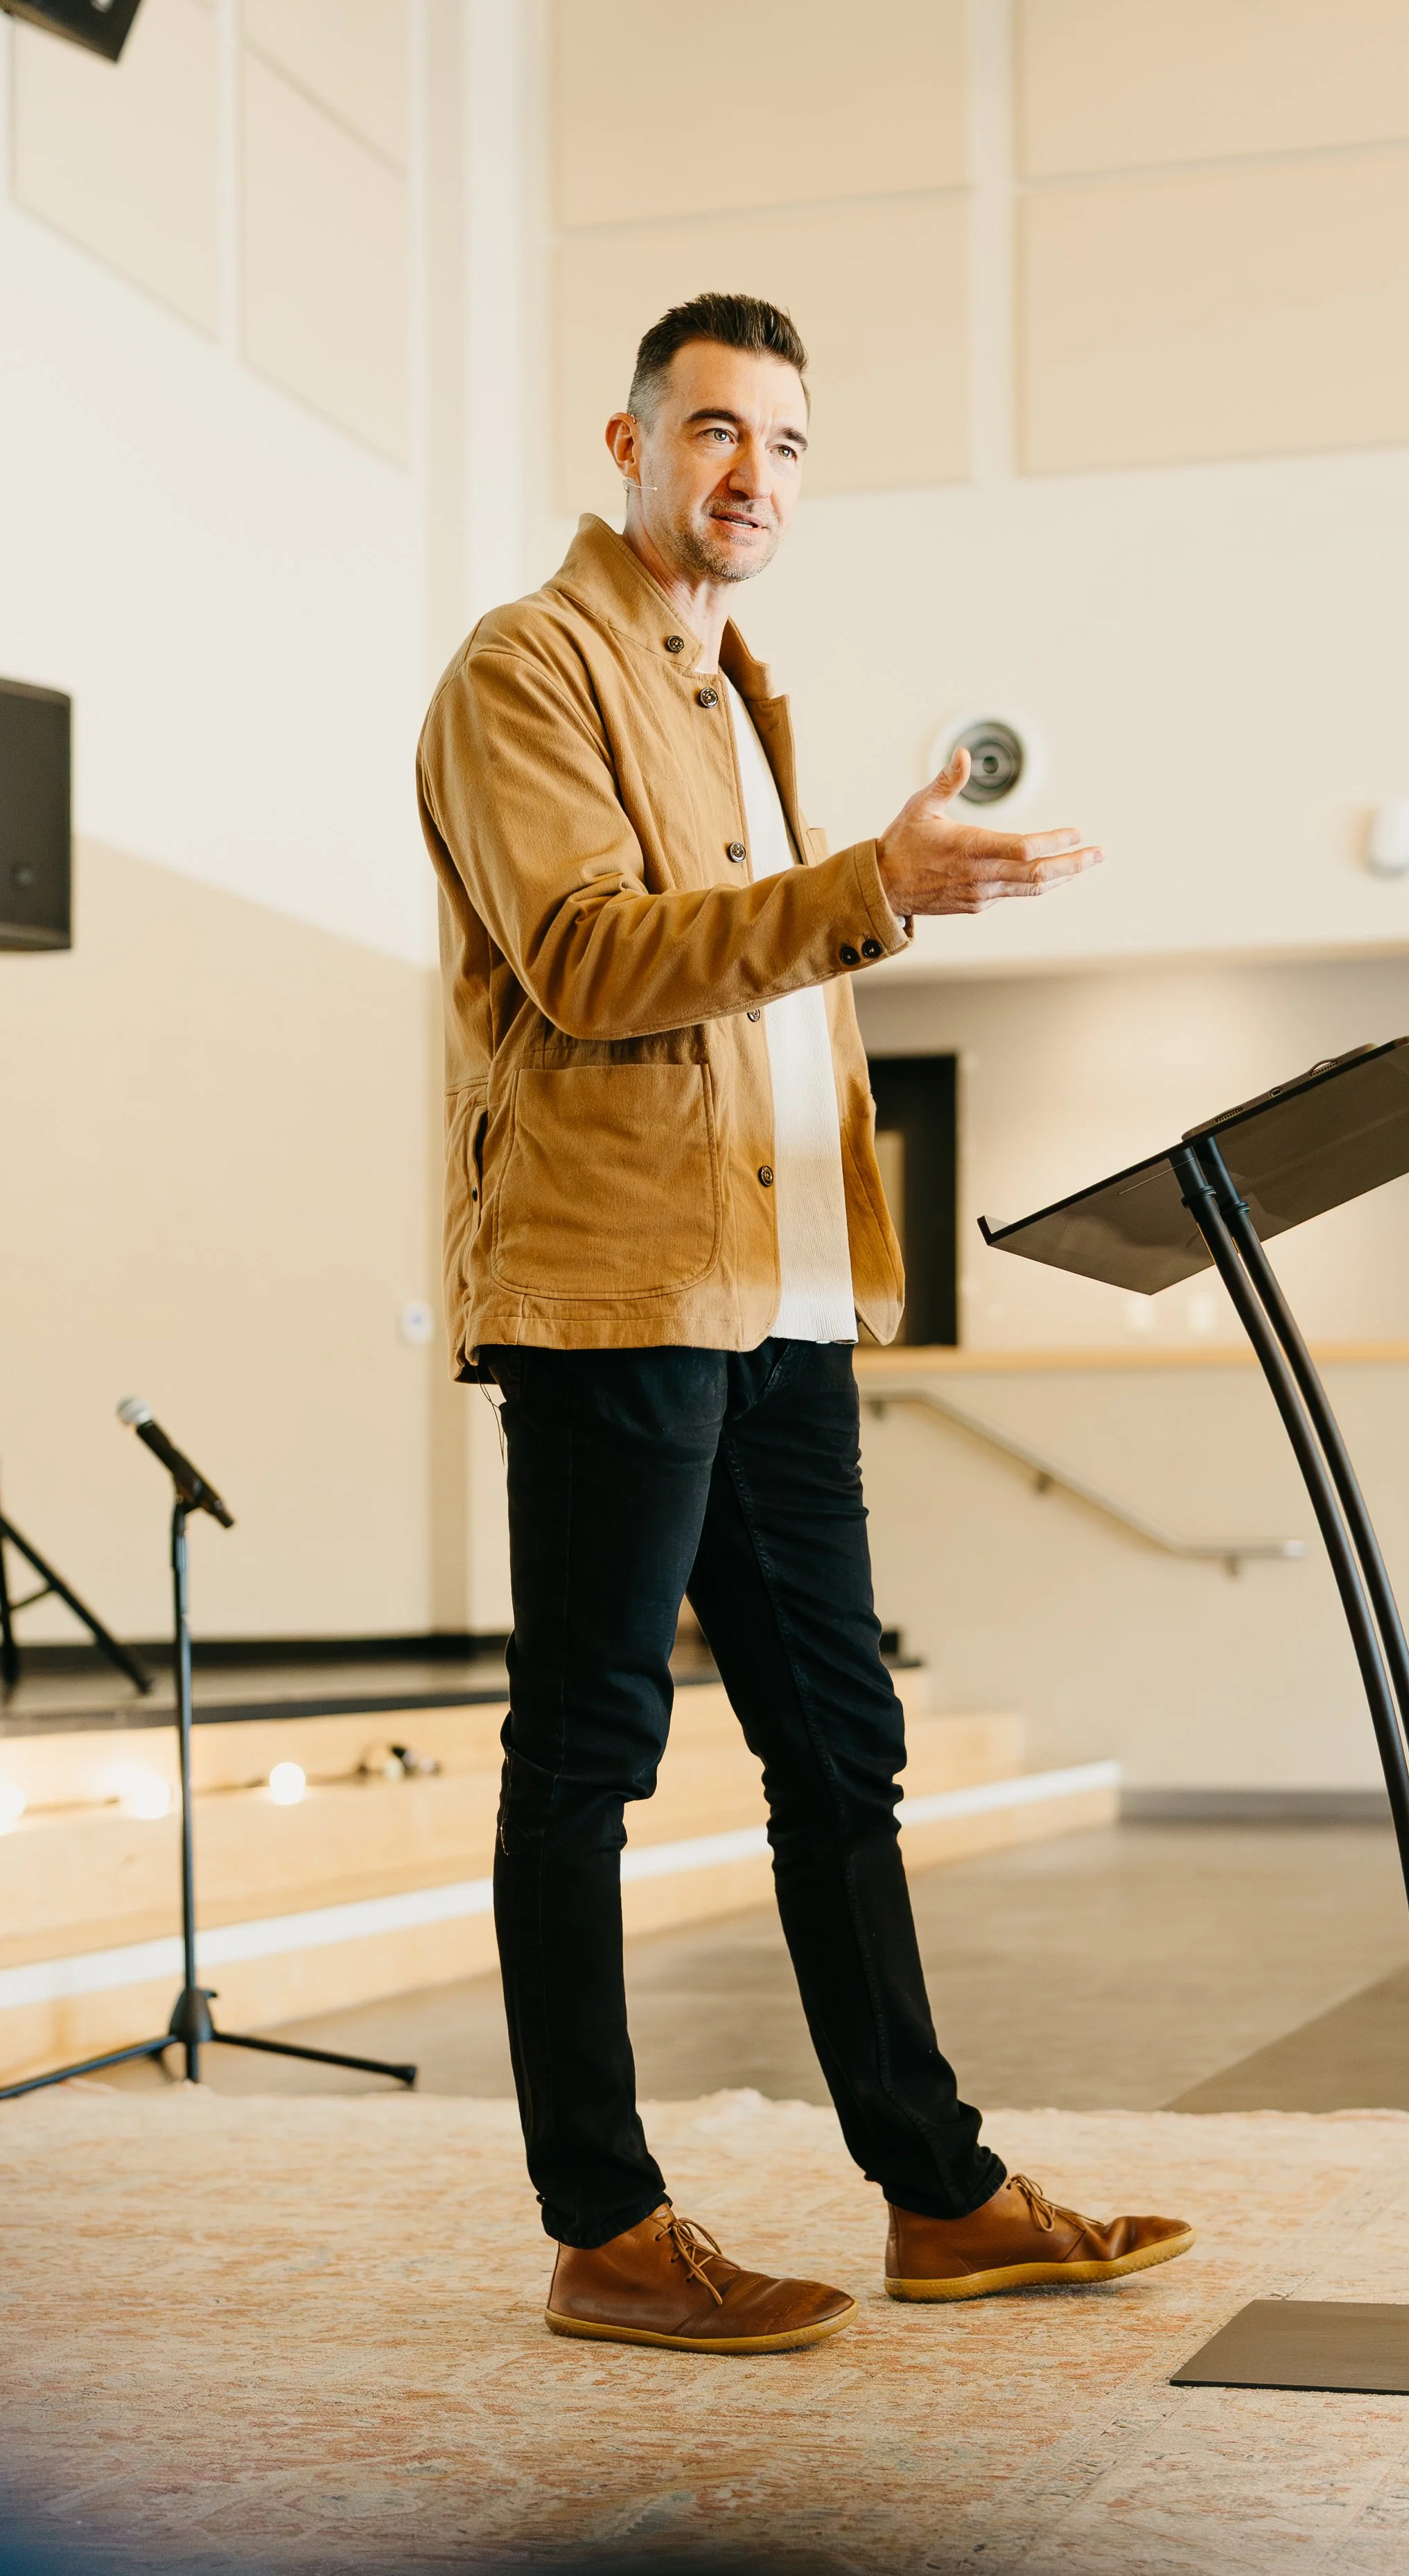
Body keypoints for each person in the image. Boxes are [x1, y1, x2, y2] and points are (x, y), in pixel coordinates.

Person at [417, 292, 1193, 2353]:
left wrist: (874, 894)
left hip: (780, 1298)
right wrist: (874, 882)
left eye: (783, 439)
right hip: (616, 1287)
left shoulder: (735, 687)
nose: (749, 471)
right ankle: (605, 2222)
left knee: (842, 1741)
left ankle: (935, 2191)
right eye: (711, 430)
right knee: (586, 1742)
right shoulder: (529, 666)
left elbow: (760, 984)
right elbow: (587, 960)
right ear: (629, 440)